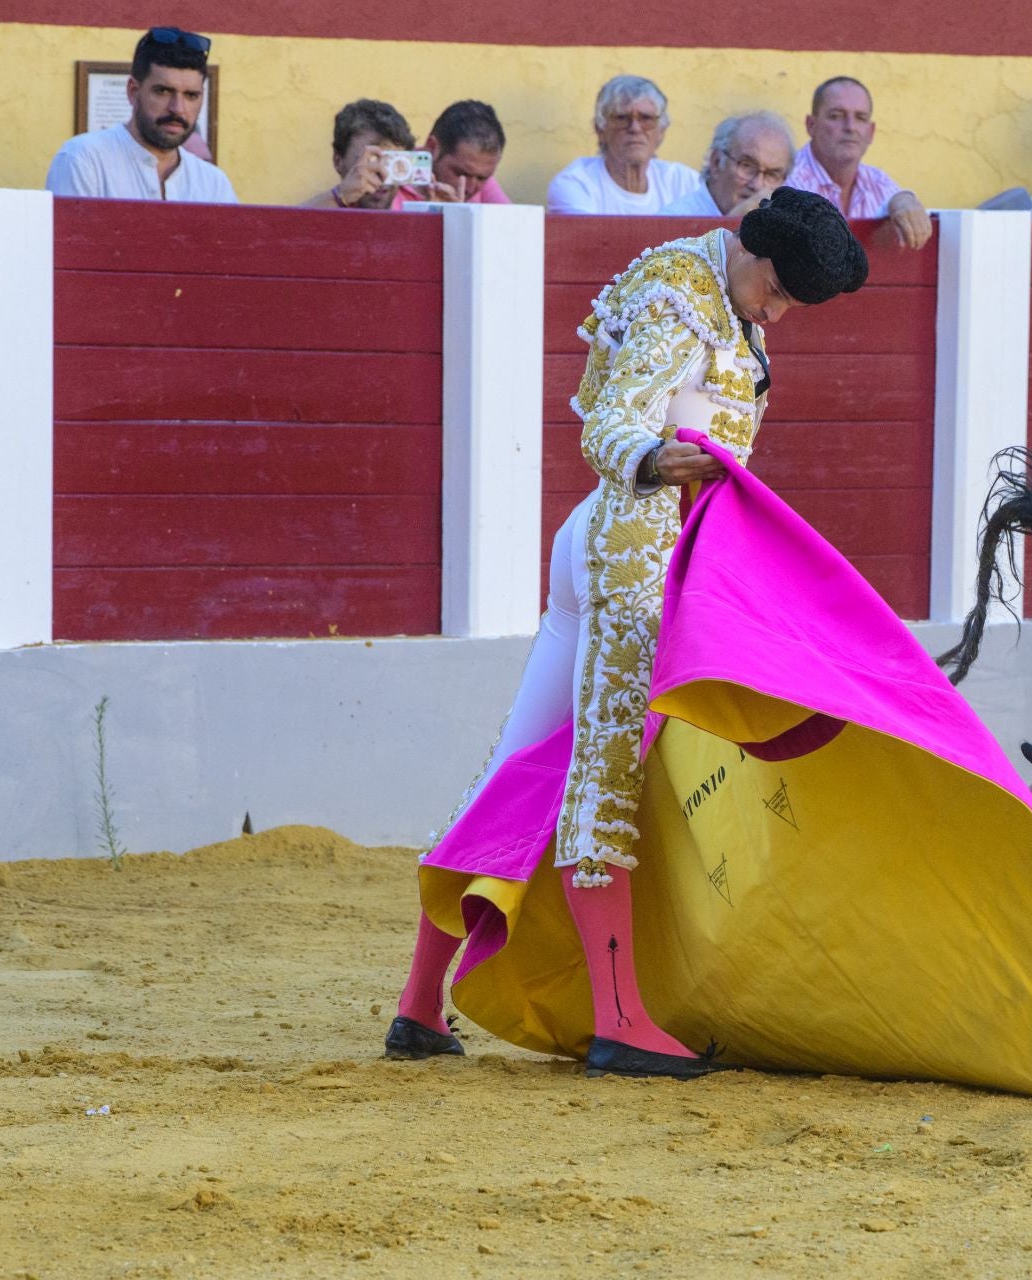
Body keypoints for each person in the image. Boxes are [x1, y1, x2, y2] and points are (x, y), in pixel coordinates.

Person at [385, 187, 869, 1078]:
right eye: (778, 292)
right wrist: (651, 457)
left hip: (614, 543)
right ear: (754, 252)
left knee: (520, 765)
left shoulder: (716, 293)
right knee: (604, 776)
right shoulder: (682, 297)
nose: (779, 313)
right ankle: (619, 1018)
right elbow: (609, 421)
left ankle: (419, 1004)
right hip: (634, 551)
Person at [45, 26, 236, 203]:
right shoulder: (84, 160)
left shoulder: (214, 184)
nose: (178, 108)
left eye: (191, 95)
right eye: (163, 91)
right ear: (133, 91)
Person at [786, 76, 931, 250]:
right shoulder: (785, 177)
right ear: (811, 125)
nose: (850, 127)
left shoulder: (877, 180)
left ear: (871, 132)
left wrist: (904, 200)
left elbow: (901, 205)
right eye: (836, 116)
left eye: (860, 118)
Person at [546, 76, 701, 215]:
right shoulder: (577, 184)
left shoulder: (683, 182)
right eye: (621, 118)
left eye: (646, 118)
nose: (635, 128)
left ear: (661, 130)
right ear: (600, 129)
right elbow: (587, 236)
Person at [306, 99, 469, 210]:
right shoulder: (325, 211)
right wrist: (340, 197)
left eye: (393, 164)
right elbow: (291, 227)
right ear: (338, 160)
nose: (383, 176)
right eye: (370, 162)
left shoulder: (415, 213)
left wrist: (448, 220)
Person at [659, 111, 793, 218]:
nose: (757, 185)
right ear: (716, 162)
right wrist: (732, 223)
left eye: (772, 175)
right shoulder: (673, 220)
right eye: (747, 166)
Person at [421, 100, 511, 203]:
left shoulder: (477, 171)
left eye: (482, 178)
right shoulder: (403, 177)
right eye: (461, 174)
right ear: (431, 148)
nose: (470, 189)